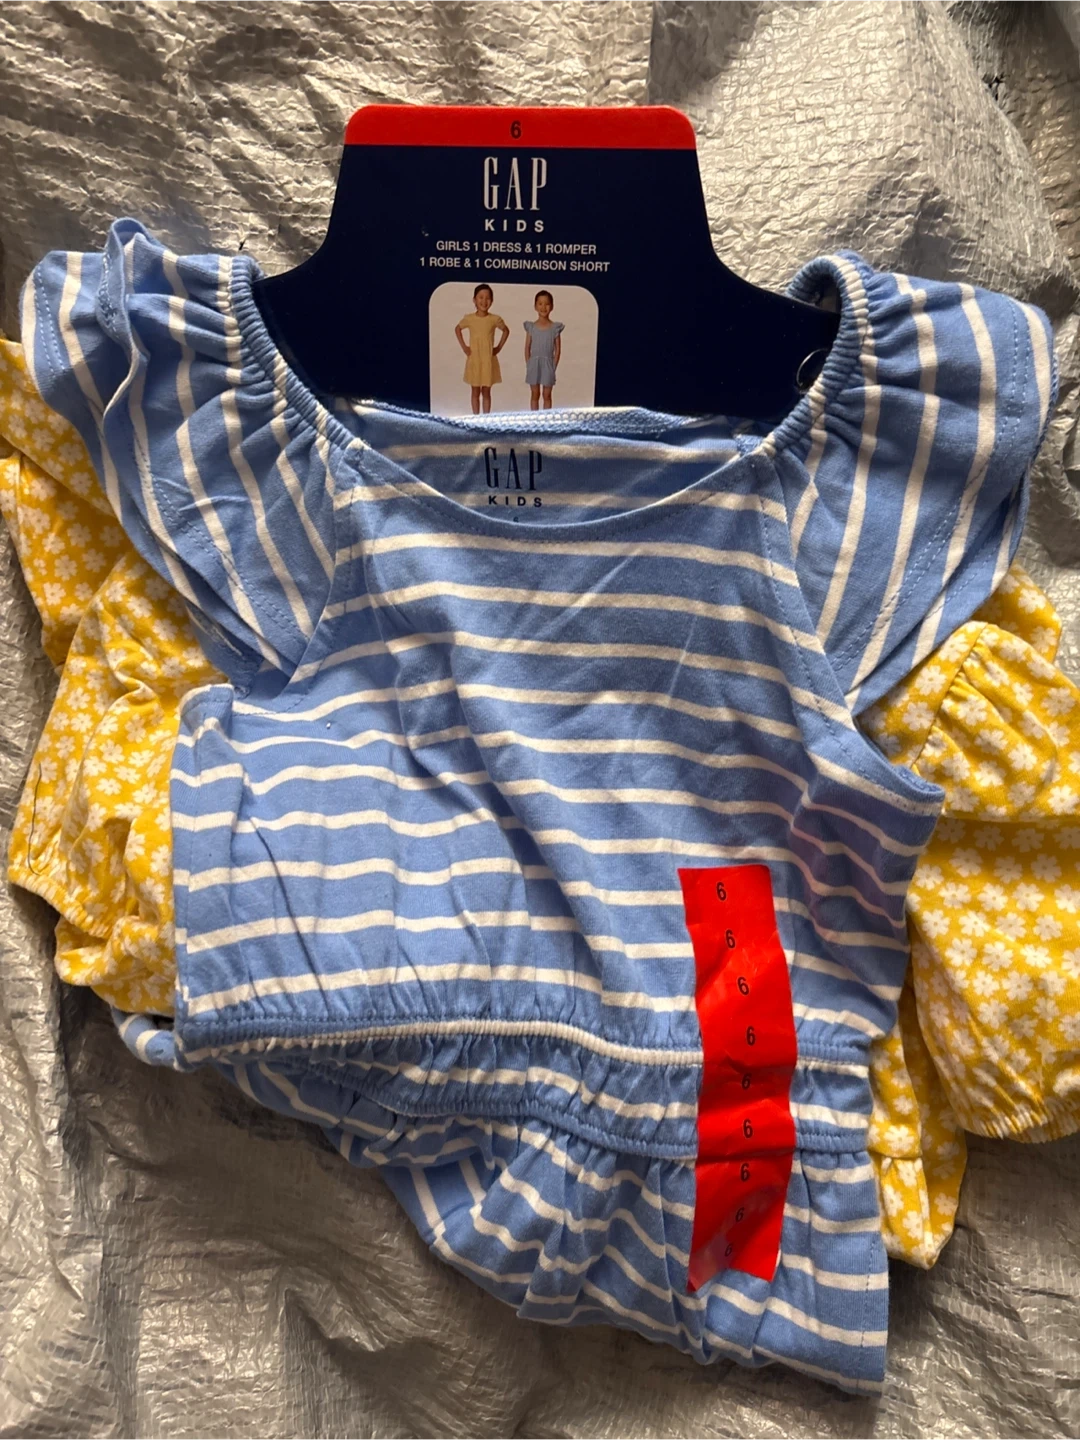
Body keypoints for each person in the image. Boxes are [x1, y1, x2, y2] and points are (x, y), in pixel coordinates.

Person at [454, 284, 509, 414]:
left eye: (488, 298)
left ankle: (486, 418)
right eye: (481, 297)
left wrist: (499, 347)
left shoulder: (494, 319)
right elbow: (457, 329)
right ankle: (475, 417)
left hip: (487, 360)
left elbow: (506, 331)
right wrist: (464, 347)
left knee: (486, 392)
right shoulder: (469, 318)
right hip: (475, 359)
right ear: (474, 300)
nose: (484, 301)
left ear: (492, 301)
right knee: (475, 391)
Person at [523, 290, 564, 410]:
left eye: (547, 304)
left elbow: (558, 349)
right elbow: (527, 347)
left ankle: (546, 418)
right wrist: (529, 364)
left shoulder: (555, 328)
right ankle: (534, 417)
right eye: (540, 304)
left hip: (548, 365)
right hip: (534, 364)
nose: (543, 307)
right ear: (535, 306)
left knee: (547, 395)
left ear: (552, 306)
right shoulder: (531, 327)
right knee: (535, 394)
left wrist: (553, 366)